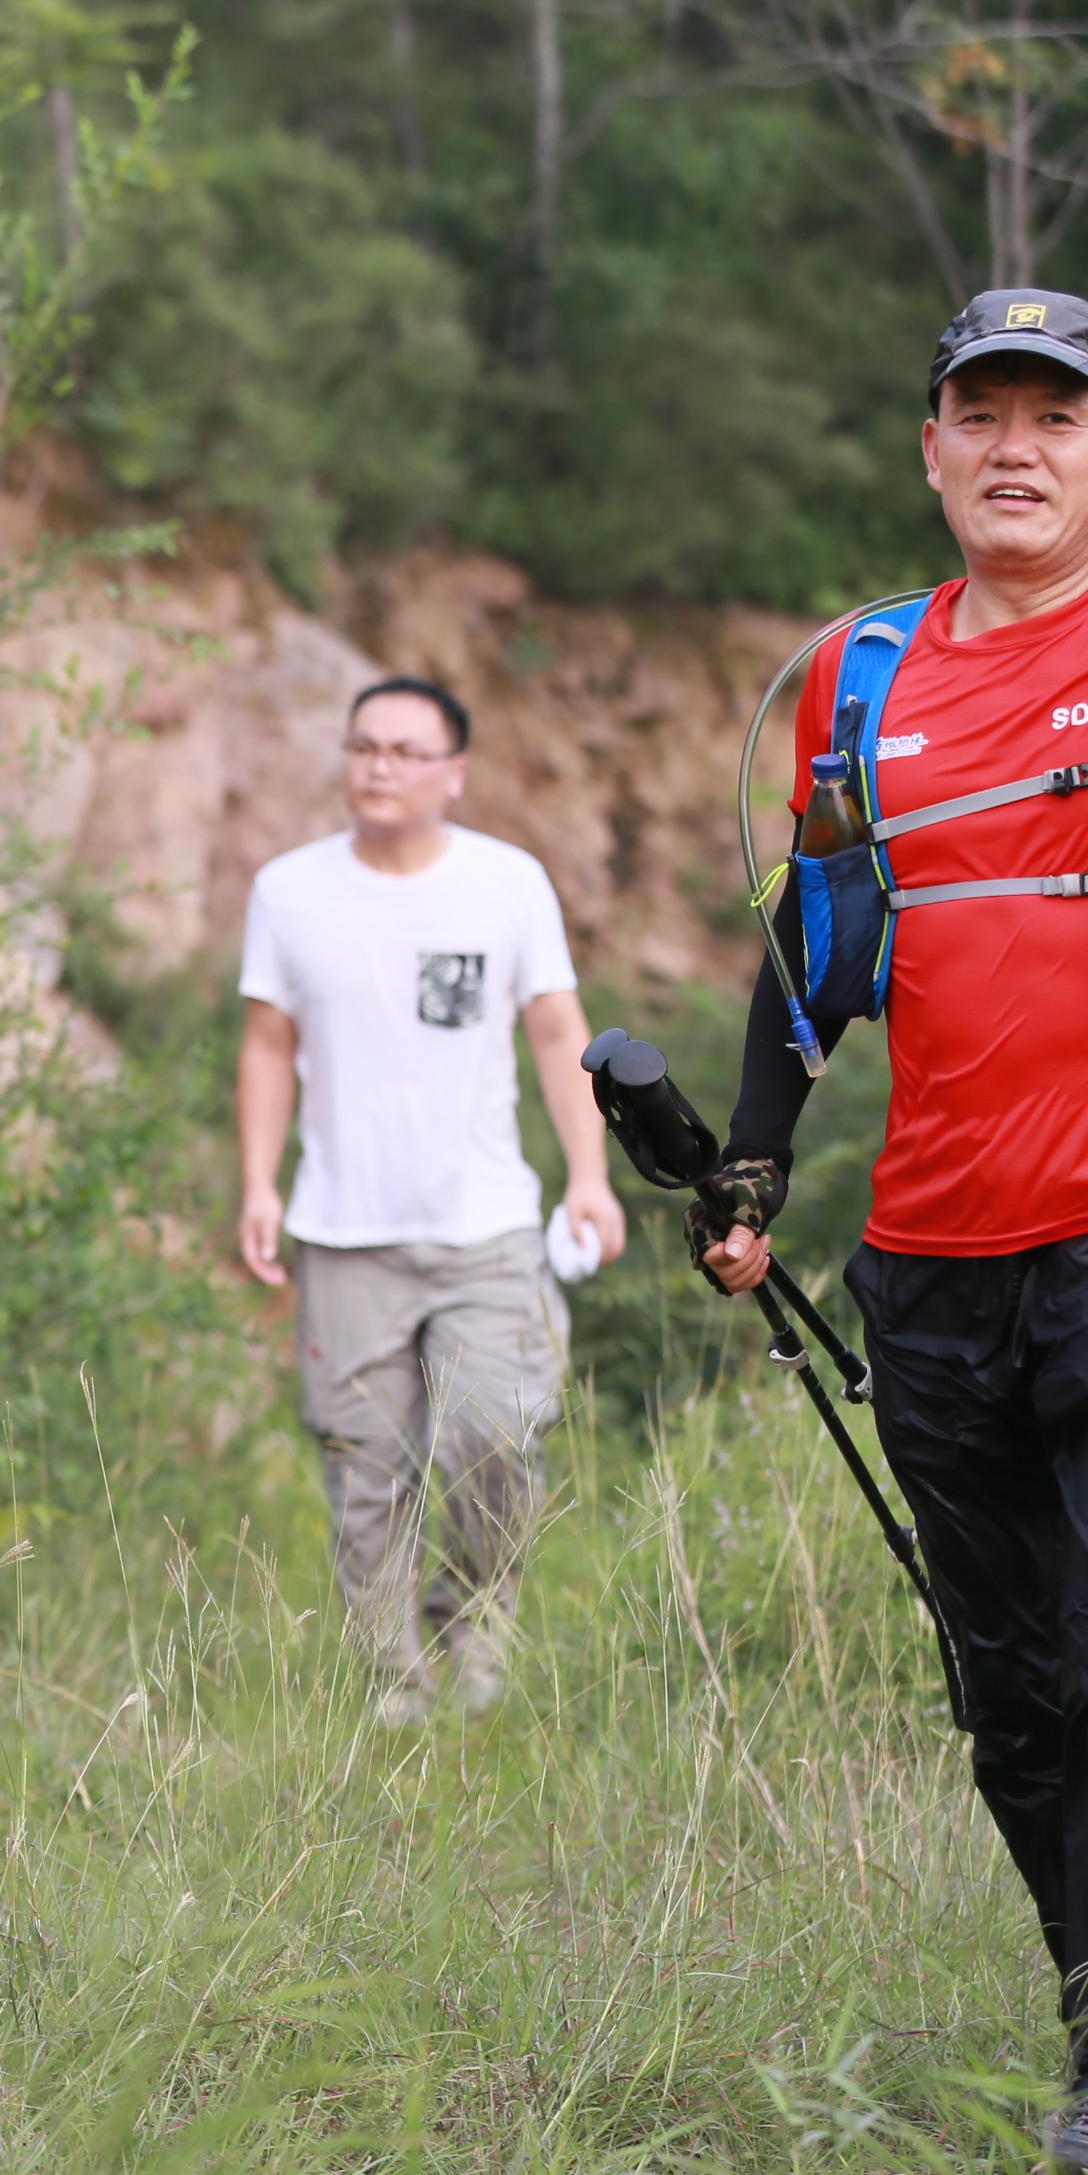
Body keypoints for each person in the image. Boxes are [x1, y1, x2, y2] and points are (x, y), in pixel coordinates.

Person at [694, 289, 1088, 2175]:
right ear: (931, 449)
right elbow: (817, 944)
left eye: (1057, 413)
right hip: (930, 1258)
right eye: (982, 413)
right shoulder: (857, 680)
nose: (1015, 447)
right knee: (1011, 1701)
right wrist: (747, 1166)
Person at [235, 675, 626, 1726]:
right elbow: (268, 1044)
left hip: (485, 1224)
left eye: (407, 751)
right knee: (366, 1463)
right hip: (344, 1228)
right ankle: (391, 1681)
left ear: (454, 772)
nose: (380, 767)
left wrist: (589, 1174)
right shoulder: (289, 890)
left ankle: (474, 1622)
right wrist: (259, 1183)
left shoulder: (507, 883)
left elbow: (559, 1032)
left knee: (500, 1434)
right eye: (364, 746)